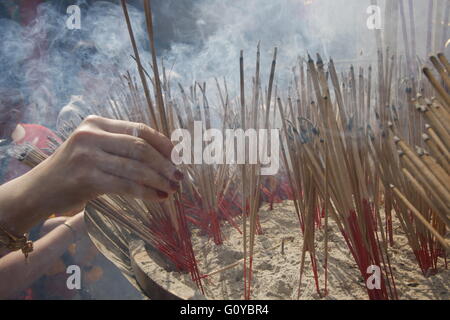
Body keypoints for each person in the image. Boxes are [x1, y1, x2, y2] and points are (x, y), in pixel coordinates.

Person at [0, 115, 183, 299]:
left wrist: (46, 225)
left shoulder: (37, 132)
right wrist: (72, 228)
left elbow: (32, 228)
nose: (16, 99)